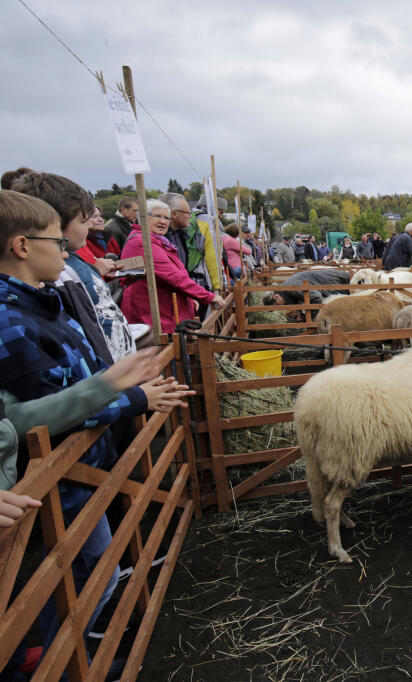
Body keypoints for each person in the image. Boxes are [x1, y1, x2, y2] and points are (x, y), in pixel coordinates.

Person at [0, 189, 192, 674]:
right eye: (56, 242)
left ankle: (61, 655)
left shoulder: (46, 302)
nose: (66, 251)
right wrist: (130, 395)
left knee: (82, 572)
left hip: (80, 465)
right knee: (79, 574)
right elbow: (43, 406)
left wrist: (125, 388)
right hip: (57, 476)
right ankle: (57, 663)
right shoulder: (10, 320)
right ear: (22, 246)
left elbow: (79, 372)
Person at [5, 168, 136, 364]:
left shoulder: (72, 262)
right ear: (57, 224)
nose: (89, 226)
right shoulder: (57, 274)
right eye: (84, 221)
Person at [120, 200, 226, 334]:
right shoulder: (143, 243)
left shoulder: (158, 242)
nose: (163, 221)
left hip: (164, 314)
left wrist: (189, 297)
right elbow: (173, 276)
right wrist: (208, 296)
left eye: (166, 218)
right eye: (157, 216)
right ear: (143, 217)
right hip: (154, 318)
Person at [262, 268, 351, 320]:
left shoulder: (292, 288)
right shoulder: (286, 289)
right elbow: (302, 298)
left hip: (338, 281)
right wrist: (301, 314)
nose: (280, 308)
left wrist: (311, 318)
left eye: (277, 305)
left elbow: (316, 297)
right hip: (332, 282)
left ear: (276, 296)